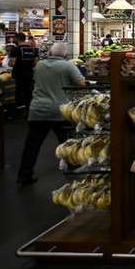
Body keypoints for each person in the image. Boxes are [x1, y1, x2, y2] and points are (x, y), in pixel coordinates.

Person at [17, 43, 86, 186]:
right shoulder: (68, 66)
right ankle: (73, 172)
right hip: (60, 111)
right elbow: (81, 83)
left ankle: (24, 175)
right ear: (65, 54)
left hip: (37, 110)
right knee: (68, 143)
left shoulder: (39, 65)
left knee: (32, 145)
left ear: (50, 52)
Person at [9, 32, 39, 118]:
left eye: (14, 38)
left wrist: (9, 61)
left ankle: (19, 112)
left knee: (19, 92)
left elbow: (12, 63)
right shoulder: (34, 49)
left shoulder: (15, 49)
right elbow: (36, 62)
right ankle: (30, 111)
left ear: (17, 39)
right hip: (29, 74)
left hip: (18, 74)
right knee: (29, 92)